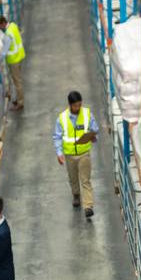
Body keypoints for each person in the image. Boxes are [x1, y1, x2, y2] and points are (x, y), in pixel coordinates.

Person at [53, 89, 97, 221]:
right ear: (70, 104)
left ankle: (88, 206)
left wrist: (93, 136)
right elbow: (57, 136)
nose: (78, 108)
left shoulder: (87, 113)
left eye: (80, 104)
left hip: (84, 153)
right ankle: (76, 195)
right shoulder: (62, 118)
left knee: (85, 180)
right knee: (73, 179)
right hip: (70, 155)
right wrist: (59, 153)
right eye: (75, 105)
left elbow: (95, 128)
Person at [0, 13, 24, 111]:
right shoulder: (13, 26)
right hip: (19, 56)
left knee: (17, 82)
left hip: (14, 60)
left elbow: (3, 52)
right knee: (17, 81)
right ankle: (17, 99)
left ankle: (20, 103)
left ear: (2, 23)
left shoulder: (7, 35)